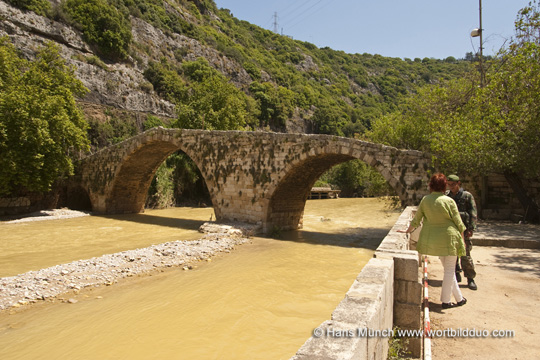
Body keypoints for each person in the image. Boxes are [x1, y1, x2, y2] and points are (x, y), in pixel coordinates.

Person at [398, 173, 467, 309]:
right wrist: (463, 240)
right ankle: (446, 301)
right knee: (449, 270)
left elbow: (417, 219)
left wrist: (407, 231)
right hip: (450, 239)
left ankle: (459, 298)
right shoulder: (449, 201)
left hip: (434, 240)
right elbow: (459, 223)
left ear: (431, 186)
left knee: (449, 270)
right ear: (444, 186)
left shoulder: (425, 200)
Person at [446, 174, 478, 291]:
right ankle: (456, 273)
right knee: (451, 254)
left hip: (464, 229)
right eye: (448, 185)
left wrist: (471, 229)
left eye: (453, 185)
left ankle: (470, 278)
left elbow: (473, 213)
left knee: (465, 254)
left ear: (458, 183)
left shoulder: (467, 196)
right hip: (451, 230)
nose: (451, 187)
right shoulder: (447, 197)